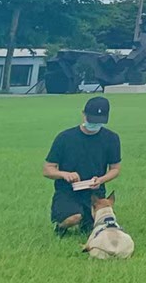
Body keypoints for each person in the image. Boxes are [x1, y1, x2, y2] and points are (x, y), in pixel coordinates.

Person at [43, 96, 122, 235]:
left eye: (98, 122)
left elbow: (115, 169)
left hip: (94, 193)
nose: (94, 125)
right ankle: (61, 227)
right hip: (67, 191)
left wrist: (101, 180)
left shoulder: (111, 139)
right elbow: (47, 169)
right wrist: (64, 174)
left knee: (97, 227)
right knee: (74, 217)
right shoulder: (65, 138)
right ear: (83, 114)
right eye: (91, 120)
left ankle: (88, 221)